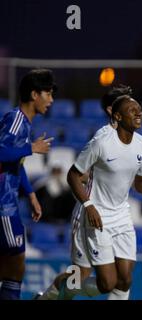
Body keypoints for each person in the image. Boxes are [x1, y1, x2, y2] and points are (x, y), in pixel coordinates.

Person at [37, 85, 138, 300]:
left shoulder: (133, 139)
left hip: (118, 217)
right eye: (126, 103)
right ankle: (52, 295)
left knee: (123, 277)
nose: (134, 108)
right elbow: (78, 175)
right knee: (81, 276)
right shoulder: (102, 138)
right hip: (90, 216)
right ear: (113, 111)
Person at [0, 69, 56, 299]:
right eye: (48, 94)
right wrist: (31, 148)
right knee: (16, 263)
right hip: (3, 207)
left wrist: (31, 194)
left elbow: (15, 162)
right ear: (34, 94)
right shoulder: (15, 120)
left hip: (9, 204)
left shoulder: (24, 124)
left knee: (15, 265)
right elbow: (1, 152)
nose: (51, 100)